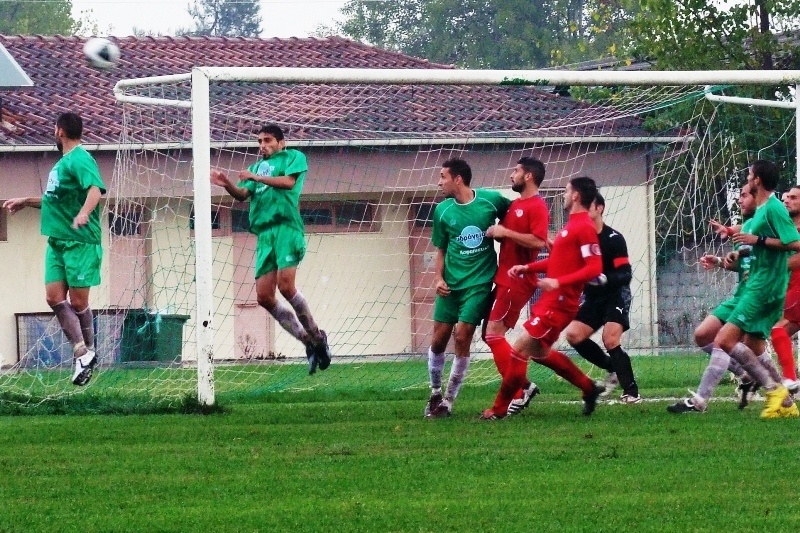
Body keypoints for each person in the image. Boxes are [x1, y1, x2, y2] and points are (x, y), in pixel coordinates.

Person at [210, 124, 330, 374]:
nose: (262, 145)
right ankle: (308, 341)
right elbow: (243, 194)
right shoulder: (255, 168)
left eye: (267, 140)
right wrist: (227, 184)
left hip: (286, 228)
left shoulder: (293, 157)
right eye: (259, 141)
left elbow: (288, 182)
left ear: (281, 143)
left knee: (286, 287)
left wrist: (257, 177)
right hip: (264, 234)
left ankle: (318, 336)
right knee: (264, 297)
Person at [3, 112, 106, 386]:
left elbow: (95, 189)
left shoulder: (81, 158)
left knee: (79, 303)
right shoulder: (61, 165)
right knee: (53, 298)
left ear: (59, 131)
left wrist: (84, 213)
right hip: (57, 241)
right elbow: (53, 201)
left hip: (81, 242)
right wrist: (26, 200)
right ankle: (81, 353)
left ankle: (89, 352)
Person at [491, 176, 606, 418]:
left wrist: (558, 281)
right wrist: (528, 268)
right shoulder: (572, 225)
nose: (563, 195)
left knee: (519, 349)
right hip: (553, 301)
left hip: (561, 303)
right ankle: (588, 387)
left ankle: (498, 409)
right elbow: (559, 262)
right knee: (539, 353)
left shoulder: (583, 226)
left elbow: (595, 267)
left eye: (566, 191)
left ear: (576, 196)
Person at [424, 158, 511, 418]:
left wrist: (507, 232)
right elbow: (441, 249)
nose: (439, 182)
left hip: (479, 283)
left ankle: (449, 401)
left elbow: (518, 214)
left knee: (462, 336)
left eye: (443, 177)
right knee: (438, 341)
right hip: (450, 285)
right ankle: (435, 392)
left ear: (458, 179)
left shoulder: (490, 201)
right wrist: (438, 278)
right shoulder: (442, 210)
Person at [713, 160, 800, 418]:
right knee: (753, 345)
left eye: (750, 175)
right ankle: (786, 404)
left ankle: (774, 391)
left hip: (764, 286)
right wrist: (738, 250)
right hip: (760, 283)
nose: (748, 178)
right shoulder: (763, 209)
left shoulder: (773, 207)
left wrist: (757, 240)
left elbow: (795, 243)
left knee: (723, 340)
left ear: (758, 180)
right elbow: (755, 240)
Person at [667, 182, 764, 413]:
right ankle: (746, 376)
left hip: (757, 296)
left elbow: (772, 254)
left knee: (731, 344)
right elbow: (744, 267)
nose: (739, 200)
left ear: (757, 196)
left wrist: (732, 231)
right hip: (741, 295)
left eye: (743, 195)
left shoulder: (765, 225)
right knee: (703, 335)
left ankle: (700, 400)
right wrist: (720, 261)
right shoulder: (748, 227)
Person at [480, 157, 549, 419]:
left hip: (517, 280)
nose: (512, 175)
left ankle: (519, 391)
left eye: (516, 171)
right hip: (505, 279)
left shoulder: (537, 206)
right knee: (491, 335)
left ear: (529, 176)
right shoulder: (516, 205)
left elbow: (537, 242)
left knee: (494, 335)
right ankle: (522, 387)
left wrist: (505, 233)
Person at [563, 192, 641, 403]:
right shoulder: (578, 239)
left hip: (616, 295)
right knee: (573, 335)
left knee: (610, 338)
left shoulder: (613, 239)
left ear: (600, 209)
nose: (583, 212)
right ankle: (612, 368)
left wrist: (604, 278)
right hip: (593, 298)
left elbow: (625, 273)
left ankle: (632, 393)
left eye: (589, 207)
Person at [769, 186, 800, 395]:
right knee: (778, 331)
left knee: (778, 330)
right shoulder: (785, 227)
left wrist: (772, 270)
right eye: (786, 197)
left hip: (797, 291)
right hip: (790, 289)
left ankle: (791, 380)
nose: (787, 200)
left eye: (794, 197)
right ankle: (791, 378)